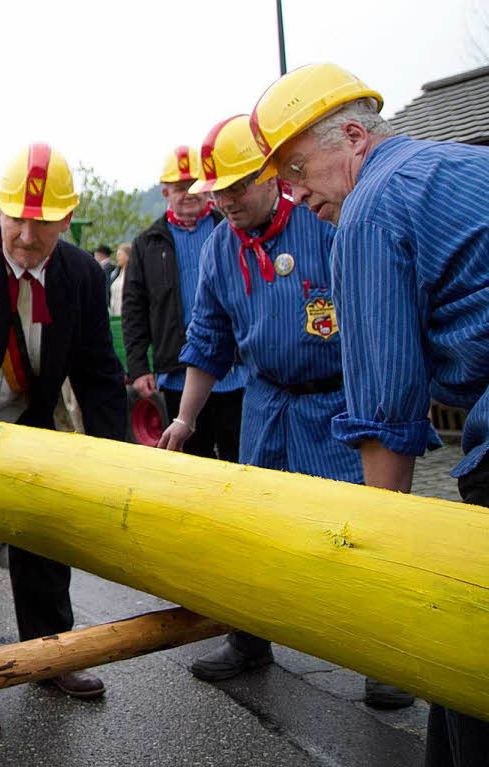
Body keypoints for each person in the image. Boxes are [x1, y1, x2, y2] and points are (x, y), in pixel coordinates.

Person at [253, 61, 489, 766]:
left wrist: (382, 573)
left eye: (297, 166)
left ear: (354, 136)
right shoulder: (461, 165)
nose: (292, 191)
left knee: (468, 646)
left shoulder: (370, 206)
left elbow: (387, 414)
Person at [156, 114, 412, 708]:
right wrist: (186, 418)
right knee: (255, 529)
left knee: (357, 531)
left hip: (339, 399)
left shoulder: (326, 222)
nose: (226, 202)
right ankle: (249, 640)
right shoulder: (221, 247)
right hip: (266, 403)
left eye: (238, 187)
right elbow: (208, 339)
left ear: (271, 177)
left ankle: (382, 657)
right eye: (216, 192)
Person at [0, 142, 127, 736]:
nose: (24, 235)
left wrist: (116, 458)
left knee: (47, 534)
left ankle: (52, 654)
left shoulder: (82, 275)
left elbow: (98, 373)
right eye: (16, 218)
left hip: (33, 420)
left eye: (41, 223)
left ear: (66, 220)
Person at [123, 145, 246, 460]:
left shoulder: (232, 229)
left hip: (236, 372)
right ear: (165, 192)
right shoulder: (147, 244)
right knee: (190, 459)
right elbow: (134, 309)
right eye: (180, 187)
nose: (188, 193)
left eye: (194, 185)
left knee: (241, 457)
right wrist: (139, 367)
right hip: (177, 372)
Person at [109, 242, 131, 316]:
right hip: (116, 315)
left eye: (119, 255)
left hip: (128, 315)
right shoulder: (116, 273)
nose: (117, 257)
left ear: (128, 256)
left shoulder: (133, 274)